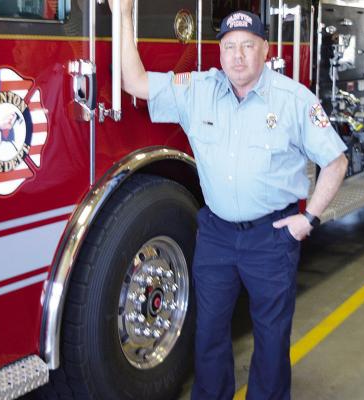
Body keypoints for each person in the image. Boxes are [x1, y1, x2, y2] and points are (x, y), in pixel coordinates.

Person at [107, 1, 348, 399]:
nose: (238, 56)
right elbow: (135, 83)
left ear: (266, 50)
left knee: (271, 341)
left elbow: (336, 161)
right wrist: (124, 14)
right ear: (219, 52)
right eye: (230, 46)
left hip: (271, 238)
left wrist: (310, 220)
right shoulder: (199, 90)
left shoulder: (292, 99)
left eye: (248, 45)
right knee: (209, 335)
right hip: (217, 236)